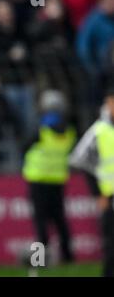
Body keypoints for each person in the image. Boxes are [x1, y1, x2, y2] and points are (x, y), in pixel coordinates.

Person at [22, 104, 76, 264]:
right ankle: (68, 257)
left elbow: (23, 146)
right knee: (60, 220)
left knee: (40, 221)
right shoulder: (69, 134)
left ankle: (39, 260)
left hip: (38, 180)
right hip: (58, 181)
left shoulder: (41, 133)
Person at [69, 86, 114, 277]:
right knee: (112, 247)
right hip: (110, 198)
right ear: (108, 103)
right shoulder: (99, 130)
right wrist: (97, 194)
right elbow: (80, 160)